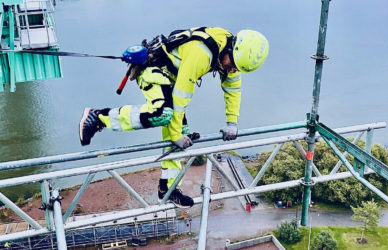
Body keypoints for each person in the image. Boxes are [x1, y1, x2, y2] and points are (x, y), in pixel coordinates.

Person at [79, 27, 269, 208]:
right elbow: (181, 95)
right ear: (231, 48)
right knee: (163, 114)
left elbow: (233, 89)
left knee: (180, 133)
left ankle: (167, 188)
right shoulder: (202, 54)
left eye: (236, 68)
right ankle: (98, 117)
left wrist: (232, 122)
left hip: (171, 77)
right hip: (154, 69)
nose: (230, 69)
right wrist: (176, 133)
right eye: (231, 64)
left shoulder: (234, 59)